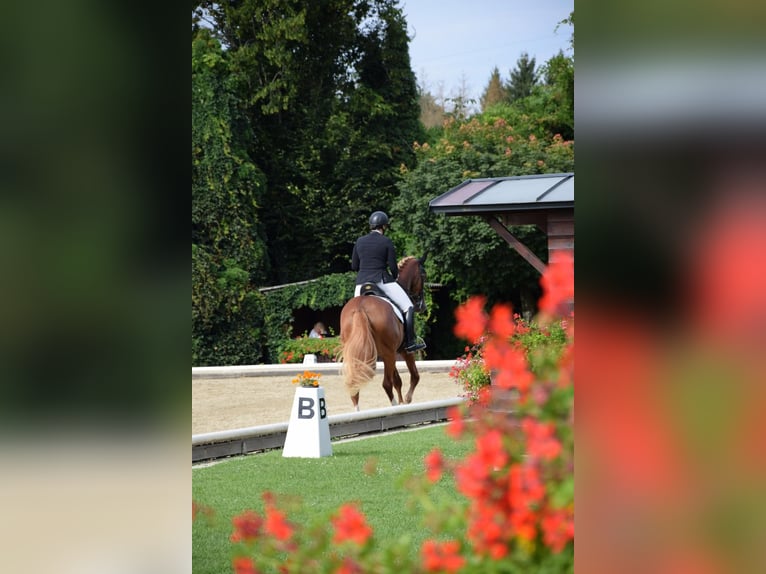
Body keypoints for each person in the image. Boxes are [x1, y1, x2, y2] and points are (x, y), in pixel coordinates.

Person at [351, 210, 426, 352]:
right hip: (381, 280)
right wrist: (394, 275)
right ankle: (410, 343)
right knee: (408, 306)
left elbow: (354, 266)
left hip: (361, 283)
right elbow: (393, 268)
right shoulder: (386, 241)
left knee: (355, 311)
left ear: (371, 226)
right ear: (383, 226)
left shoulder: (359, 241)